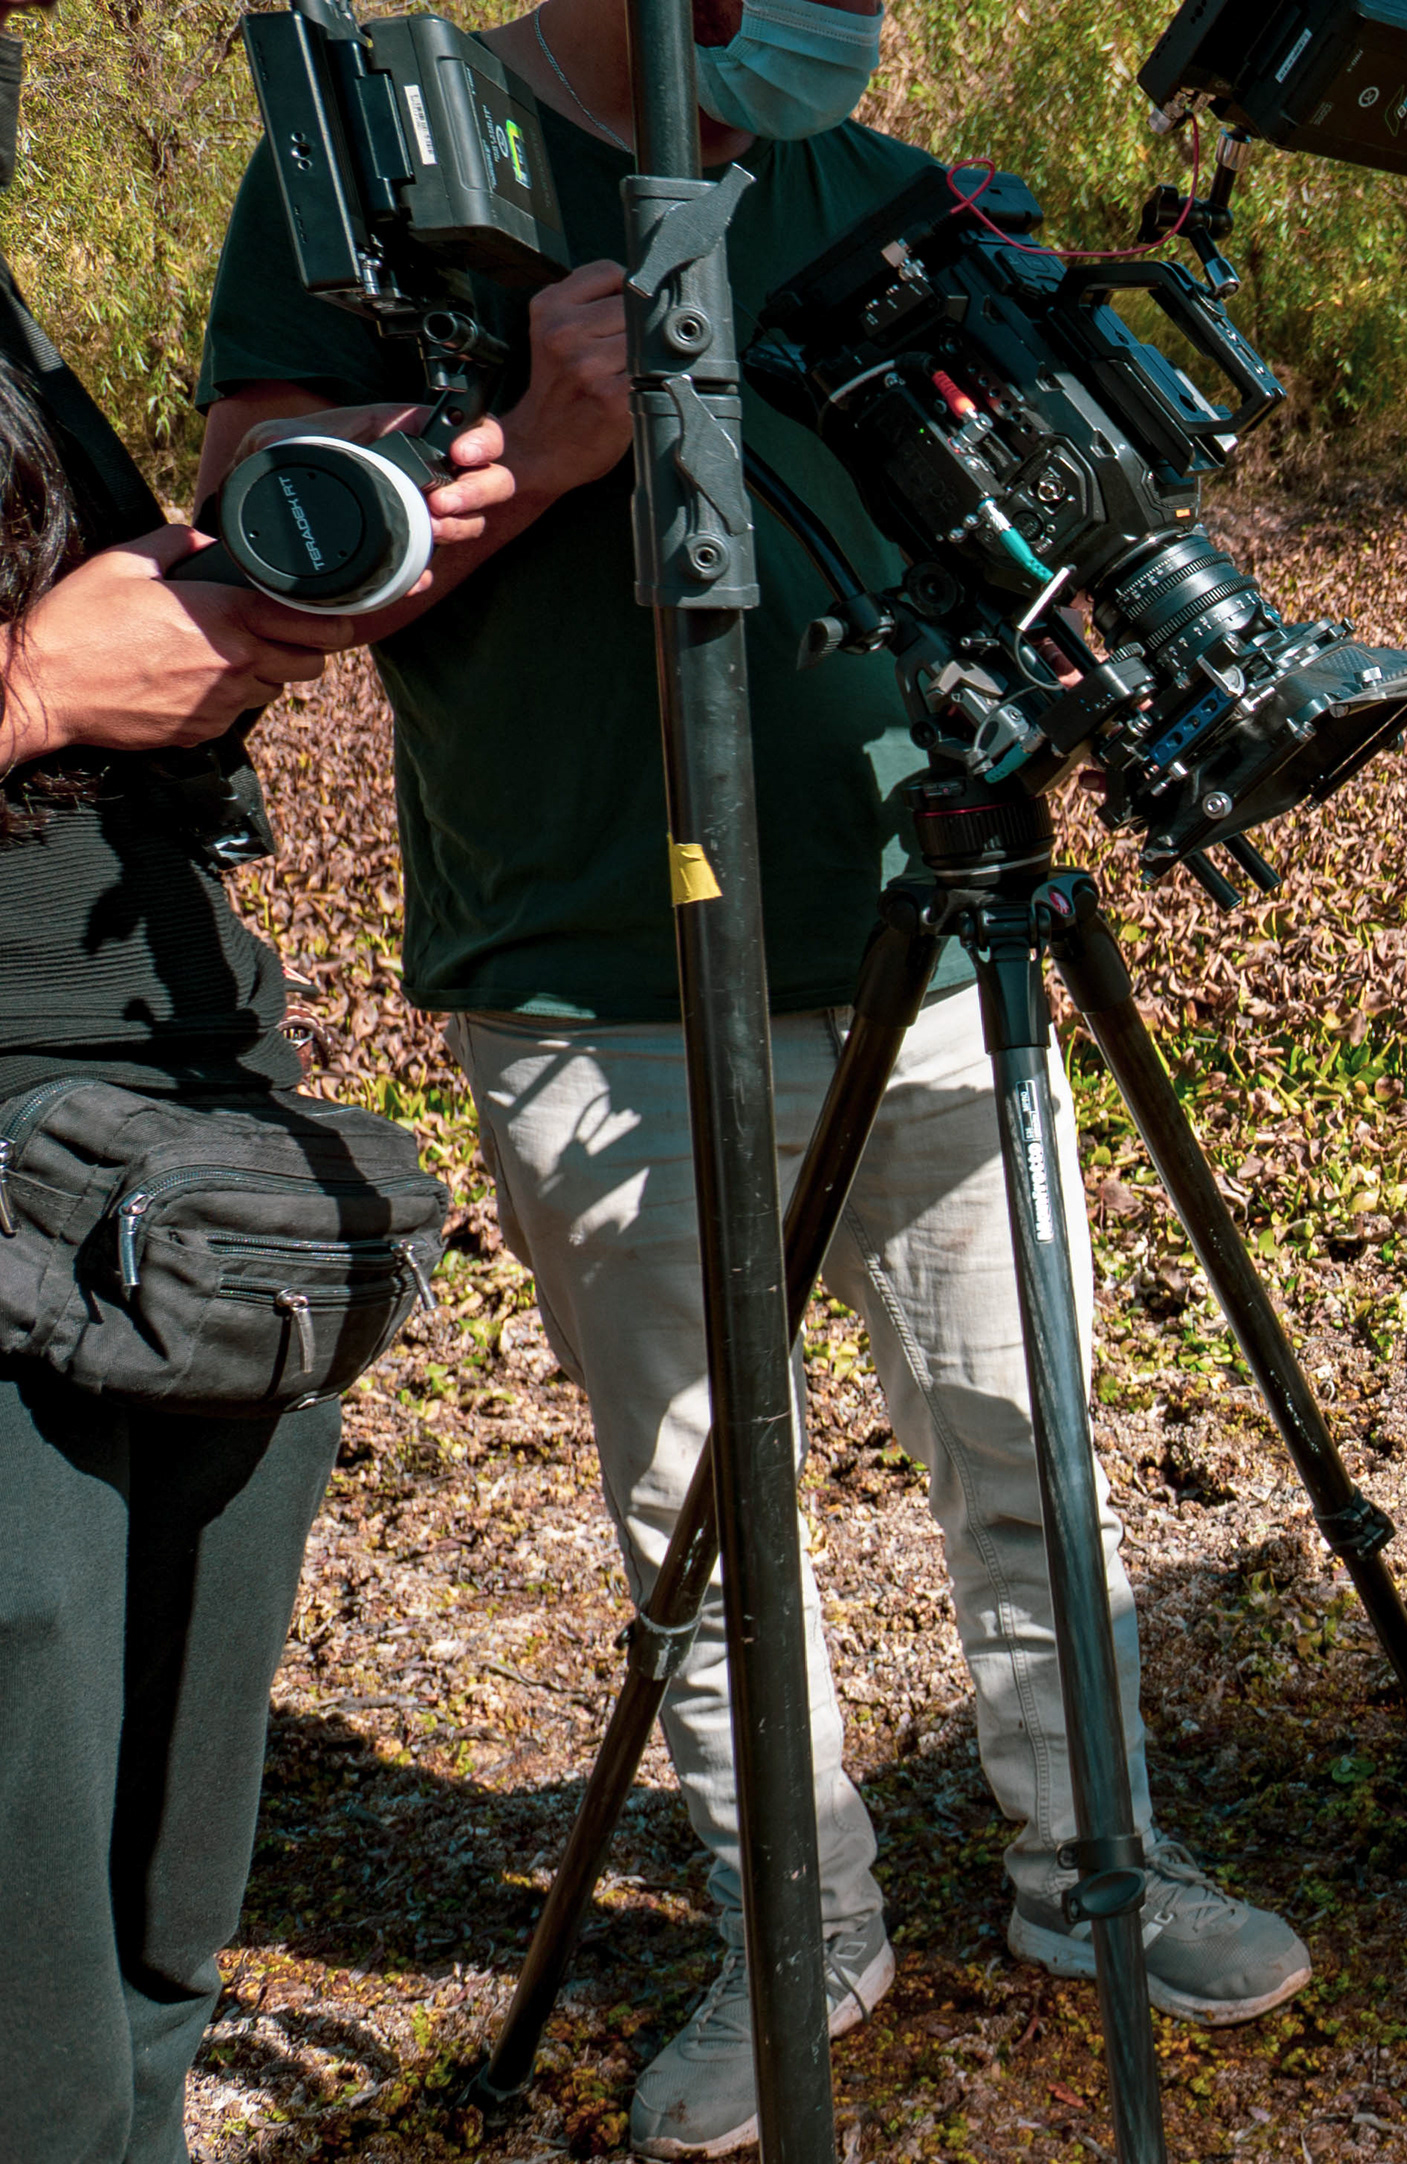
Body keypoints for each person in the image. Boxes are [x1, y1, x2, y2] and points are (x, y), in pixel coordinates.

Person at [193, 4, 1308, 2154]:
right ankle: (793, 1929)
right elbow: (268, 539)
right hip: (594, 964)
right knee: (707, 1501)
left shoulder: (871, 188)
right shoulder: (399, 156)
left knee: (1026, 1433)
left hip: (926, 927)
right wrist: (538, 440)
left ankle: (1101, 1867)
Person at [0, 0, 524, 2144]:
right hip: (35, 1166)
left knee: (153, 1907)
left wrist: (281, 572)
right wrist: (33, 685)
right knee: (25, 1942)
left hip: (181, 1145)